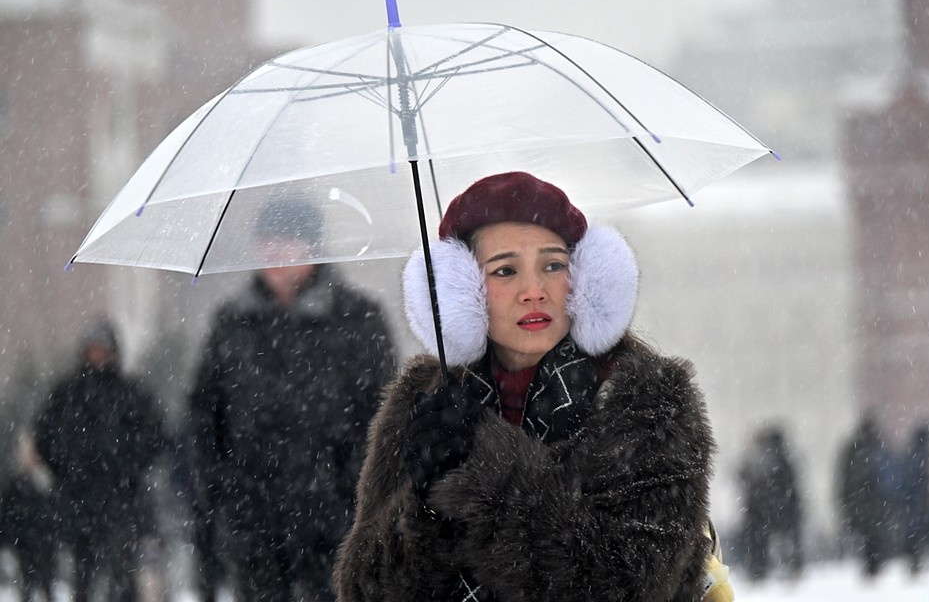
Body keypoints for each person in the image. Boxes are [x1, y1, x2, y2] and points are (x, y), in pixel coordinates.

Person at [335, 172, 725, 601]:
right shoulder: (426, 401)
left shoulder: (646, 400)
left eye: (553, 265)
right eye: (505, 270)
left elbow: (626, 586)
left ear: (584, 278)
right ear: (459, 292)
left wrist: (481, 466)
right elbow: (364, 590)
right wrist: (424, 509)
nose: (534, 291)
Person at [188, 196, 397, 601]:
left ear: (313, 248)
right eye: (268, 244)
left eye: (289, 243)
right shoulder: (232, 321)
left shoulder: (358, 318)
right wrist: (221, 488)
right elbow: (204, 412)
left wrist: (353, 487)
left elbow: (383, 412)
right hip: (253, 517)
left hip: (336, 518)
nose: (277, 255)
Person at [34, 317, 168, 602]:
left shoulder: (130, 394)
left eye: (102, 349)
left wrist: (129, 469)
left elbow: (155, 436)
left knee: (122, 575)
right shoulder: (67, 395)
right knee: (84, 575)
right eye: (93, 349)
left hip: (121, 500)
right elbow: (44, 437)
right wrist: (67, 470)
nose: (97, 355)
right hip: (78, 500)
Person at [737, 425, 803, 581]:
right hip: (782, 509)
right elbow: (792, 486)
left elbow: (749, 482)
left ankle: (759, 571)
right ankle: (790, 569)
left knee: (760, 544)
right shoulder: (783, 457)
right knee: (786, 543)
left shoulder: (760, 458)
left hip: (761, 512)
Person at [837, 414, 898, 578]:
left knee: (866, 534)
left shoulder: (853, 448)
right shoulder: (879, 446)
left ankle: (870, 565)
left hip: (860, 502)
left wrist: (845, 502)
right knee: (876, 534)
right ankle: (875, 564)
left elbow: (844, 479)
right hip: (876, 502)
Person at [0, 429, 57, 601]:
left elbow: (53, 514)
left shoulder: (43, 482)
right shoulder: (14, 486)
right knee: (27, 588)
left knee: (46, 587)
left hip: (43, 544)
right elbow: (6, 519)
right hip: (24, 546)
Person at [900, 421, 929, 575]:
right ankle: (920, 561)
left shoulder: (912, 453)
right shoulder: (922, 454)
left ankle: (916, 562)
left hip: (913, 502)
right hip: (919, 501)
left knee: (914, 532)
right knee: (920, 530)